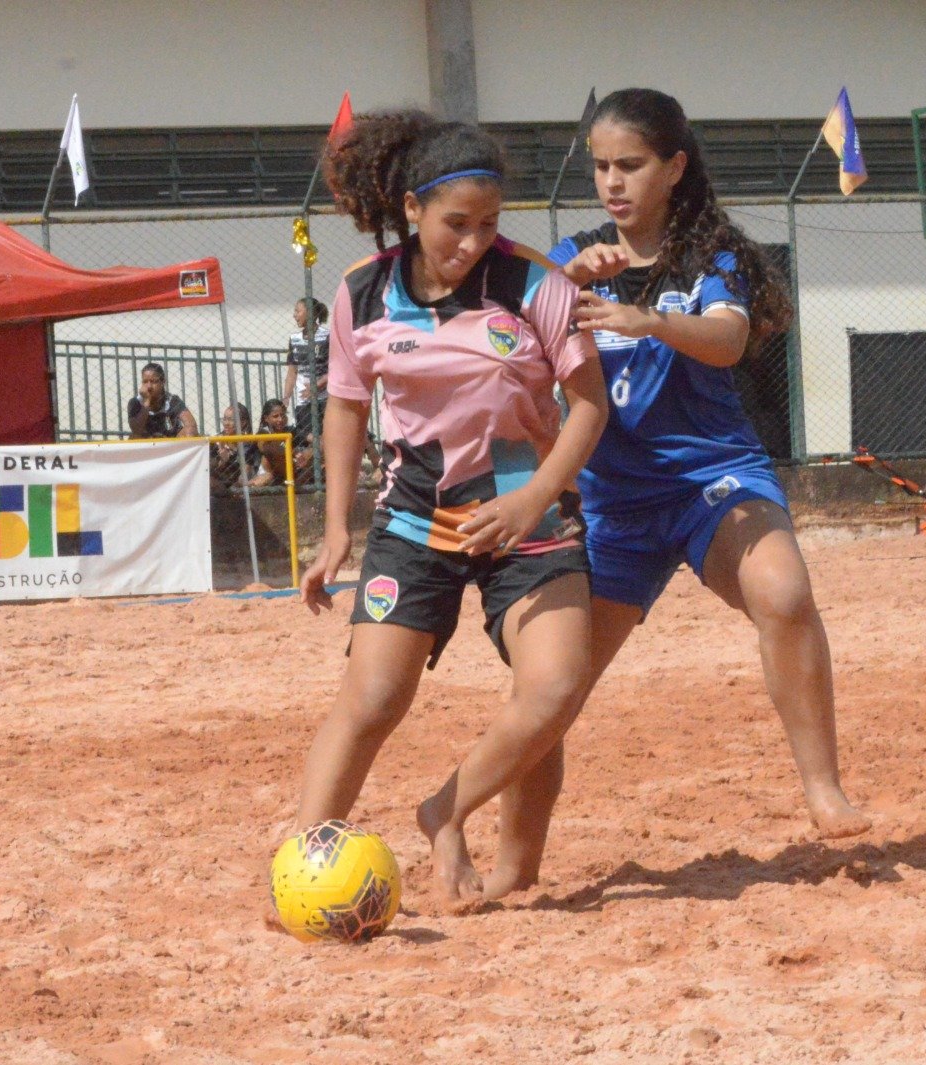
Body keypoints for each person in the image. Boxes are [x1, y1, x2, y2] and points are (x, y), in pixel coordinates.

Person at [467, 88, 868, 903]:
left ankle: (823, 785)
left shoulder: (710, 257)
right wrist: (561, 286)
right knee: (550, 693)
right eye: (602, 167)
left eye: (631, 165)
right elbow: (507, 358)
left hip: (711, 480)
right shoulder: (569, 257)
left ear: (675, 167)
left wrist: (648, 319)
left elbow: (728, 340)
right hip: (614, 505)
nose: (613, 182)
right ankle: (515, 865)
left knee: (784, 593)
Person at [285, 109, 607, 912]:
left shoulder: (535, 285)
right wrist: (335, 532)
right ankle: (300, 865)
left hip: (529, 517)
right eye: (455, 224)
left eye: (489, 224)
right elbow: (346, 410)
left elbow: (591, 406)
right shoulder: (362, 291)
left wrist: (533, 496)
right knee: (372, 697)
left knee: (554, 689)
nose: (472, 242)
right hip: (413, 522)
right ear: (411, 209)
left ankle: (468, 831)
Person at [283, 297, 332, 410]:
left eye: (297, 311)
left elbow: (336, 368)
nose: (294, 315)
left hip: (326, 399)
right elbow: (292, 372)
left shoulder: (327, 336)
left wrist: (317, 386)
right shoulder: (294, 339)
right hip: (303, 402)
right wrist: (286, 398)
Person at [126, 363, 198, 439]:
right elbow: (136, 430)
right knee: (134, 437)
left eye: (153, 381)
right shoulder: (136, 402)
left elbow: (191, 424)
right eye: (145, 382)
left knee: (189, 430)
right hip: (147, 443)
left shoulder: (172, 400)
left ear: (163, 382)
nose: (149, 386)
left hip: (170, 443)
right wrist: (146, 403)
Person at [210, 403, 261, 490]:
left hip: (237, 481)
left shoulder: (248, 442)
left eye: (230, 420)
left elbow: (246, 471)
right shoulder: (217, 440)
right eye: (224, 419)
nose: (226, 423)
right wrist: (222, 460)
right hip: (219, 479)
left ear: (243, 422)